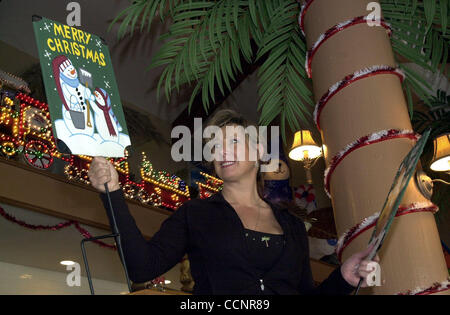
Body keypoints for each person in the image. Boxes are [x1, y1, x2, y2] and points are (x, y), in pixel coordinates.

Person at [88, 109, 379, 295]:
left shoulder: (290, 225)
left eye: (234, 142)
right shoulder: (196, 214)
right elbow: (142, 267)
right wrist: (112, 194)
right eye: (215, 146)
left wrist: (343, 277)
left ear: (259, 150)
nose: (222, 152)